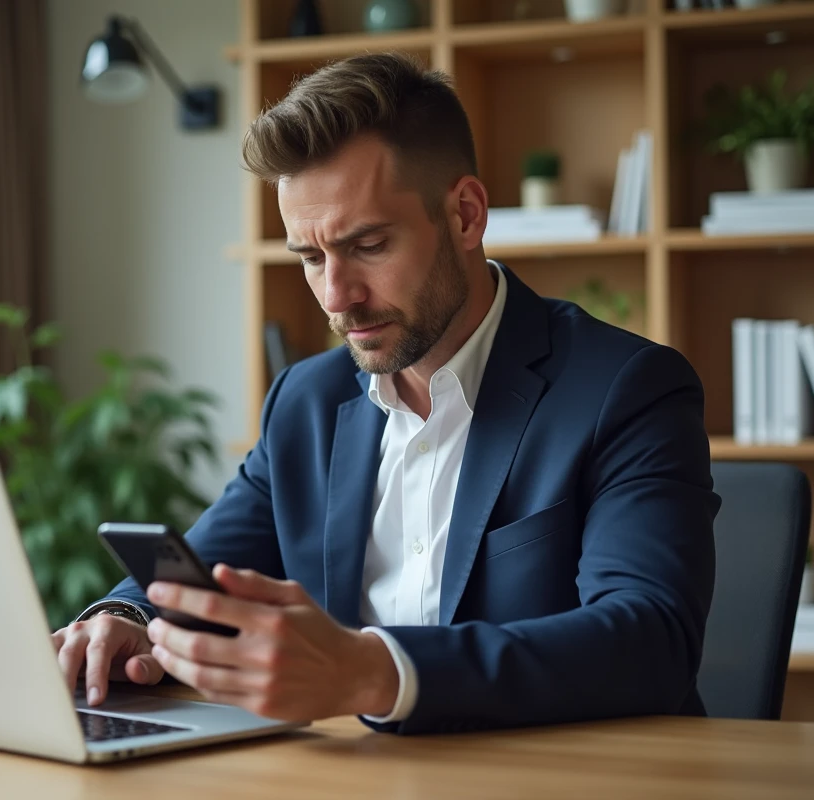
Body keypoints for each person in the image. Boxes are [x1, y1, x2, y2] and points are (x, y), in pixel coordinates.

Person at [51, 52, 719, 735]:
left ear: (464, 215)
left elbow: (650, 640)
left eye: (367, 244)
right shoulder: (304, 403)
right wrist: (123, 618)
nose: (336, 296)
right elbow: (199, 578)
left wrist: (372, 670)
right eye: (311, 258)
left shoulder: (624, 389)